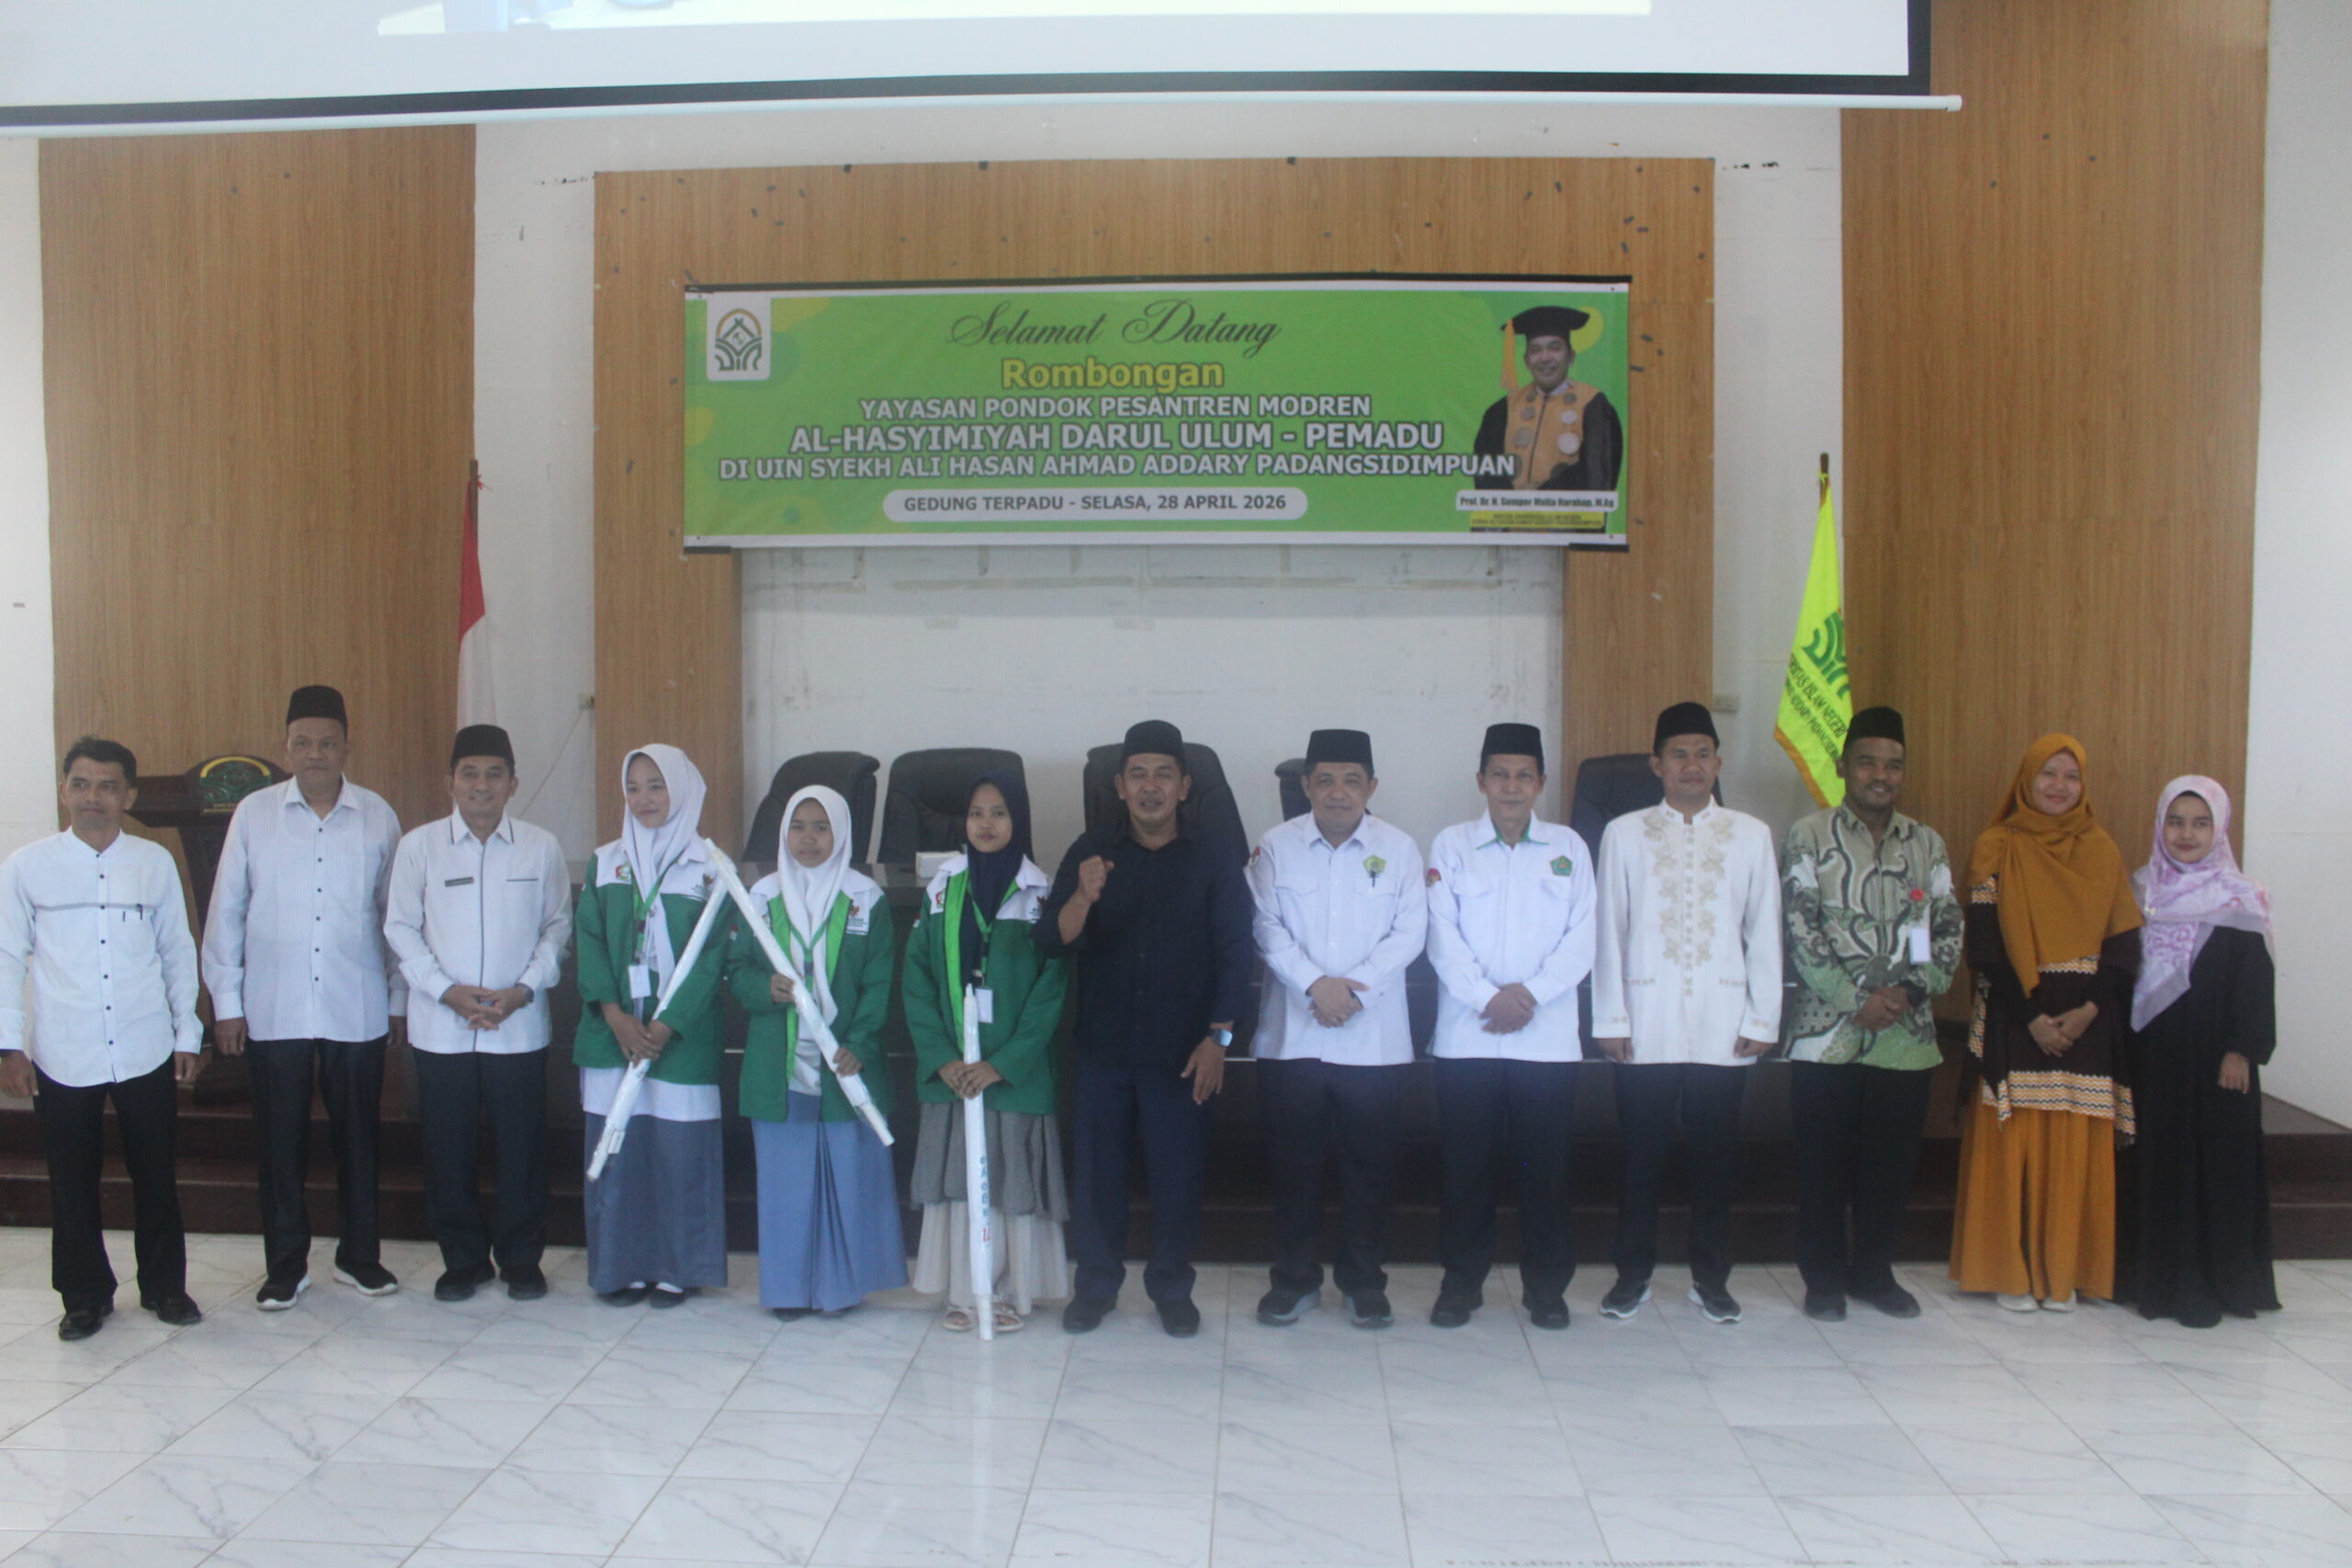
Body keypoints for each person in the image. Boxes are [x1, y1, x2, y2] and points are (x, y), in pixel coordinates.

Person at [1037, 720, 1256, 1337]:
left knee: (1177, 1178)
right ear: (1119, 785)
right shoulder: (1091, 848)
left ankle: (1171, 1288)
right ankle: (1096, 1286)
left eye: (1164, 774)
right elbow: (1051, 939)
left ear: (1184, 786)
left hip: (1184, 1052)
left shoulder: (1215, 853)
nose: (1150, 786)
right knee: (1097, 1180)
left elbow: (1236, 951)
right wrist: (1083, 896)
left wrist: (1220, 1040)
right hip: (1103, 1048)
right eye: (1138, 774)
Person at [204, 685, 407, 1310]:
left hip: (357, 1004)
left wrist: (398, 1000)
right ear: (285, 747)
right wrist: (227, 1003)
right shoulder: (254, 814)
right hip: (275, 1007)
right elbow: (226, 910)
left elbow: (396, 917)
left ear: (347, 747)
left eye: (327, 742)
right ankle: (285, 1266)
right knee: (279, 1143)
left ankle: (359, 1257)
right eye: (302, 742)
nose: (315, 753)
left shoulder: (378, 815)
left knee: (359, 1141)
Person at [0, 738, 205, 1340]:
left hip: (145, 1044)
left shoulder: (153, 863)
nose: (94, 797)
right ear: (64, 790)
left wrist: (187, 1031)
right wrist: (9, 1045)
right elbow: (6, 958)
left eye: (108, 786)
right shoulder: (26, 866)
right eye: (82, 784)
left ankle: (165, 1287)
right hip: (64, 1048)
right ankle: (84, 1296)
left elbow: (178, 951)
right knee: (71, 1181)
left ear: (129, 795)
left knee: (156, 1174)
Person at [1592, 702, 1781, 1325]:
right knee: (1639, 1162)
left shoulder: (1751, 835)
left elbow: (1764, 930)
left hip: (1725, 1027)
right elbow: (1609, 930)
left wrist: (1762, 1019)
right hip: (1643, 1023)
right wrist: (1610, 1019)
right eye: (1679, 754)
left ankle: (1711, 1280)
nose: (1691, 765)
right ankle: (1632, 1277)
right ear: (1656, 765)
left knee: (1716, 1165)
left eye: (1703, 753)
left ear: (1718, 763)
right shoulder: (1624, 833)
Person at [1779, 706, 1962, 1323]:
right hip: (1826, 1031)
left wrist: (1909, 991)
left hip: (1905, 1035)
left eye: (1893, 765)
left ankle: (1875, 1273)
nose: (1881, 775)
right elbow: (1801, 929)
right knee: (1823, 1165)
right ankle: (1824, 1279)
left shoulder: (1927, 843)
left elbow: (1945, 929)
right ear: (1843, 766)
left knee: (1890, 1167)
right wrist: (1856, 999)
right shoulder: (1808, 836)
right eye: (1868, 762)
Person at [1949, 734, 2142, 1312]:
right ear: (2026, 781)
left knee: (2074, 1145)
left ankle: (2065, 1274)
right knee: (2016, 1142)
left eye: (2071, 776)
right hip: (2017, 1012)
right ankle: (2009, 1273)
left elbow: (2123, 948)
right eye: (2048, 774)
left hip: (2088, 1018)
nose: (2059, 786)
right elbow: (1985, 948)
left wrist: (2087, 1013)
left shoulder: (2101, 849)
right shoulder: (1997, 845)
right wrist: (2032, 1018)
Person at [1246, 728, 1427, 1330]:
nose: (1338, 792)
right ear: (1306, 785)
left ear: (1372, 786)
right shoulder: (1275, 846)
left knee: (1369, 1171)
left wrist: (1352, 989)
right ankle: (1293, 1281)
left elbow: (1410, 932)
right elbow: (1264, 926)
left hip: (1372, 1042)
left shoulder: (1400, 848)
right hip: (1292, 1039)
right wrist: (1314, 985)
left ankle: (1364, 1284)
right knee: (1293, 1171)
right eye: (1325, 780)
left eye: (1352, 780)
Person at [384, 724, 571, 1304]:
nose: (481, 785)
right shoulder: (419, 846)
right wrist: (445, 991)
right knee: (448, 1150)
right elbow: (400, 928)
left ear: (513, 783)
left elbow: (557, 927)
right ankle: (462, 1261)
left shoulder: (541, 847)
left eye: (494, 774)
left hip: (518, 1025)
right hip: (443, 1027)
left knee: (522, 1149)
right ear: (450, 782)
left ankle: (521, 1260)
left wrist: (523, 990)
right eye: (470, 774)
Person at [1423, 722, 1597, 1330]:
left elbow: (1582, 939)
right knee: (1464, 1173)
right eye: (1500, 774)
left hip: (1545, 1043)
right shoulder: (1451, 846)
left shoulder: (1569, 848)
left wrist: (1529, 996)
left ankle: (1546, 1289)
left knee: (1545, 1175)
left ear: (1541, 782)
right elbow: (1441, 936)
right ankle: (1460, 1285)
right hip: (1467, 1040)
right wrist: (1488, 997)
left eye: (1524, 775)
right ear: (1481, 781)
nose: (1512, 786)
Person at [728, 784, 905, 1318]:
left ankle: (840, 1290)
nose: (808, 839)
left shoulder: (866, 898)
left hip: (843, 1061)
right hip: (778, 1062)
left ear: (841, 833)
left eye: (821, 827)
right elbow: (738, 970)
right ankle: (787, 1292)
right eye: (798, 827)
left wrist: (859, 1043)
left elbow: (878, 983)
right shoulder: (761, 896)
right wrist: (764, 988)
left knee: (846, 1177)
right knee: (786, 1186)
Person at [904, 773, 1071, 1333]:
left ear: (1018, 820)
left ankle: (1003, 1291)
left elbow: (1051, 991)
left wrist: (1002, 1065)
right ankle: (963, 1289)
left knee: (1009, 1177)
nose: (986, 824)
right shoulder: (943, 887)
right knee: (959, 1178)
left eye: (999, 813)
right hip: (955, 1069)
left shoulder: (1041, 893)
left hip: (1011, 1072)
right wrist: (943, 1058)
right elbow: (917, 977)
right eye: (976, 813)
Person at [572, 745, 731, 1309]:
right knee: (618, 1154)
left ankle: (677, 1270)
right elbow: (589, 942)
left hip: (679, 1042)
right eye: (634, 787)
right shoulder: (604, 863)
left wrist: (666, 1025)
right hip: (611, 1037)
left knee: (679, 1157)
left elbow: (712, 959)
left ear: (682, 791)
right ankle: (622, 1267)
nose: (643, 799)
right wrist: (615, 1016)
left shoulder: (711, 869)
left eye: (657, 786)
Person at [2127, 775, 2278, 1327]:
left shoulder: (2241, 896)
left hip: (2219, 1062)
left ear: (2219, 829)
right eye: (2175, 821)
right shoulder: (2140, 891)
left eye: (2199, 823)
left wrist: (2242, 1049)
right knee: (2161, 1164)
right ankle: (2159, 1281)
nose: (2186, 834)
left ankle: (2219, 1283)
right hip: (2156, 1059)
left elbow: (2255, 981)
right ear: (2160, 825)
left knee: (2218, 1166)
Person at [1473, 305, 1624, 493]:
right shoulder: (1501, 410)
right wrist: (1514, 505)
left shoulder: (1593, 405)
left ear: (1571, 357)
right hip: (1510, 512)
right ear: (1526, 361)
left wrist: (1541, 496)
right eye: (1535, 350)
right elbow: (1486, 476)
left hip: (1569, 512)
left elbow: (1598, 474)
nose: (1545, 358)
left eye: (1555, 348)